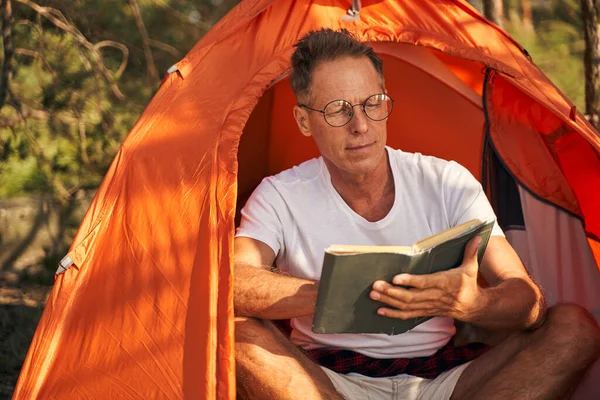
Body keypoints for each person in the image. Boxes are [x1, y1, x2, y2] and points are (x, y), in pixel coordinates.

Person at [233, 29, 600, 400]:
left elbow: (529, 304)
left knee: (574, 328)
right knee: (235, 333)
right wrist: (336, 294)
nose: (360, 125)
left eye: (372, 103)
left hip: (445, 377)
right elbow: (233, 283)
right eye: (337, 110)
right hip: (326, 382)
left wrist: (475, 304)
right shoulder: (279, 194)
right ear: (303, 121)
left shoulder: (446, 181)